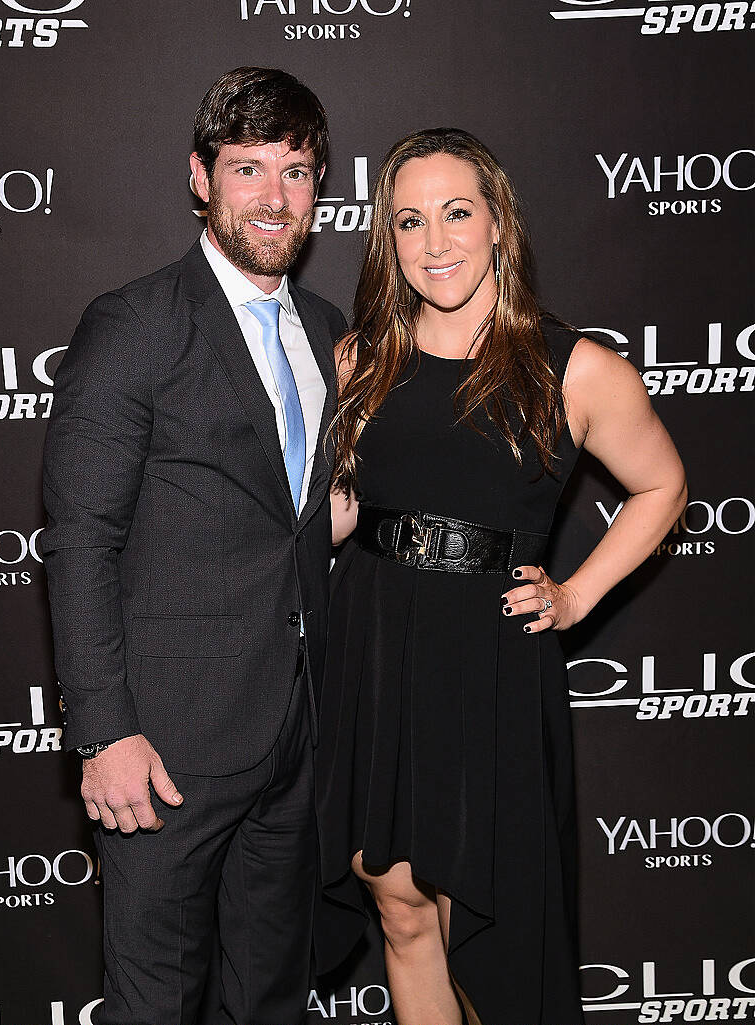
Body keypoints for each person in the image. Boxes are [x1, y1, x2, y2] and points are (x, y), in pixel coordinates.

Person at [314, 128, 687, 1025]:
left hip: (487, 663)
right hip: (373, 648)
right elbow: (336, 513)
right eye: (409, 221)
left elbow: (663, 484)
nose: (435, 243)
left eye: (456, 214)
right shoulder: (362, 359)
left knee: (478, 920)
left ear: (497, 225)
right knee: (395, 900)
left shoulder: (577, 367)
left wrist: (576, 594)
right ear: (387, 240)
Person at [41, 67, 346, 1025]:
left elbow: (295, 517)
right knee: (157, 1003)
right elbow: (81, 538)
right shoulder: (132, 326)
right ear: (199, 176)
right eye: (248, 168)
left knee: (269, 999)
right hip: (166, 746)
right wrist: (103, 732)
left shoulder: (329, 330)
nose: (273, 195)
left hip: (296, 736)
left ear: (319, 188)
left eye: (295, 172)